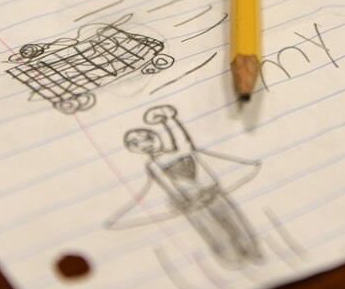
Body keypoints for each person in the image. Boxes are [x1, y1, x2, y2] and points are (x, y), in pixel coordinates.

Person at [107, 105, 263, 268]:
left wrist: (169, 120)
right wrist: (184, 201)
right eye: (136, 143)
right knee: (211, 230)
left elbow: (182, 140)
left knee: (232, 219)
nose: (145, 144)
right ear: (135, 150)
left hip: (212, 193)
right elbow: (168, 186)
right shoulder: (154, 165)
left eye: (147, 138)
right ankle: (231, 258)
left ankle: (253, 250)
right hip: (192, 204)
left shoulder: (179, 151)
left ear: (155, 136)